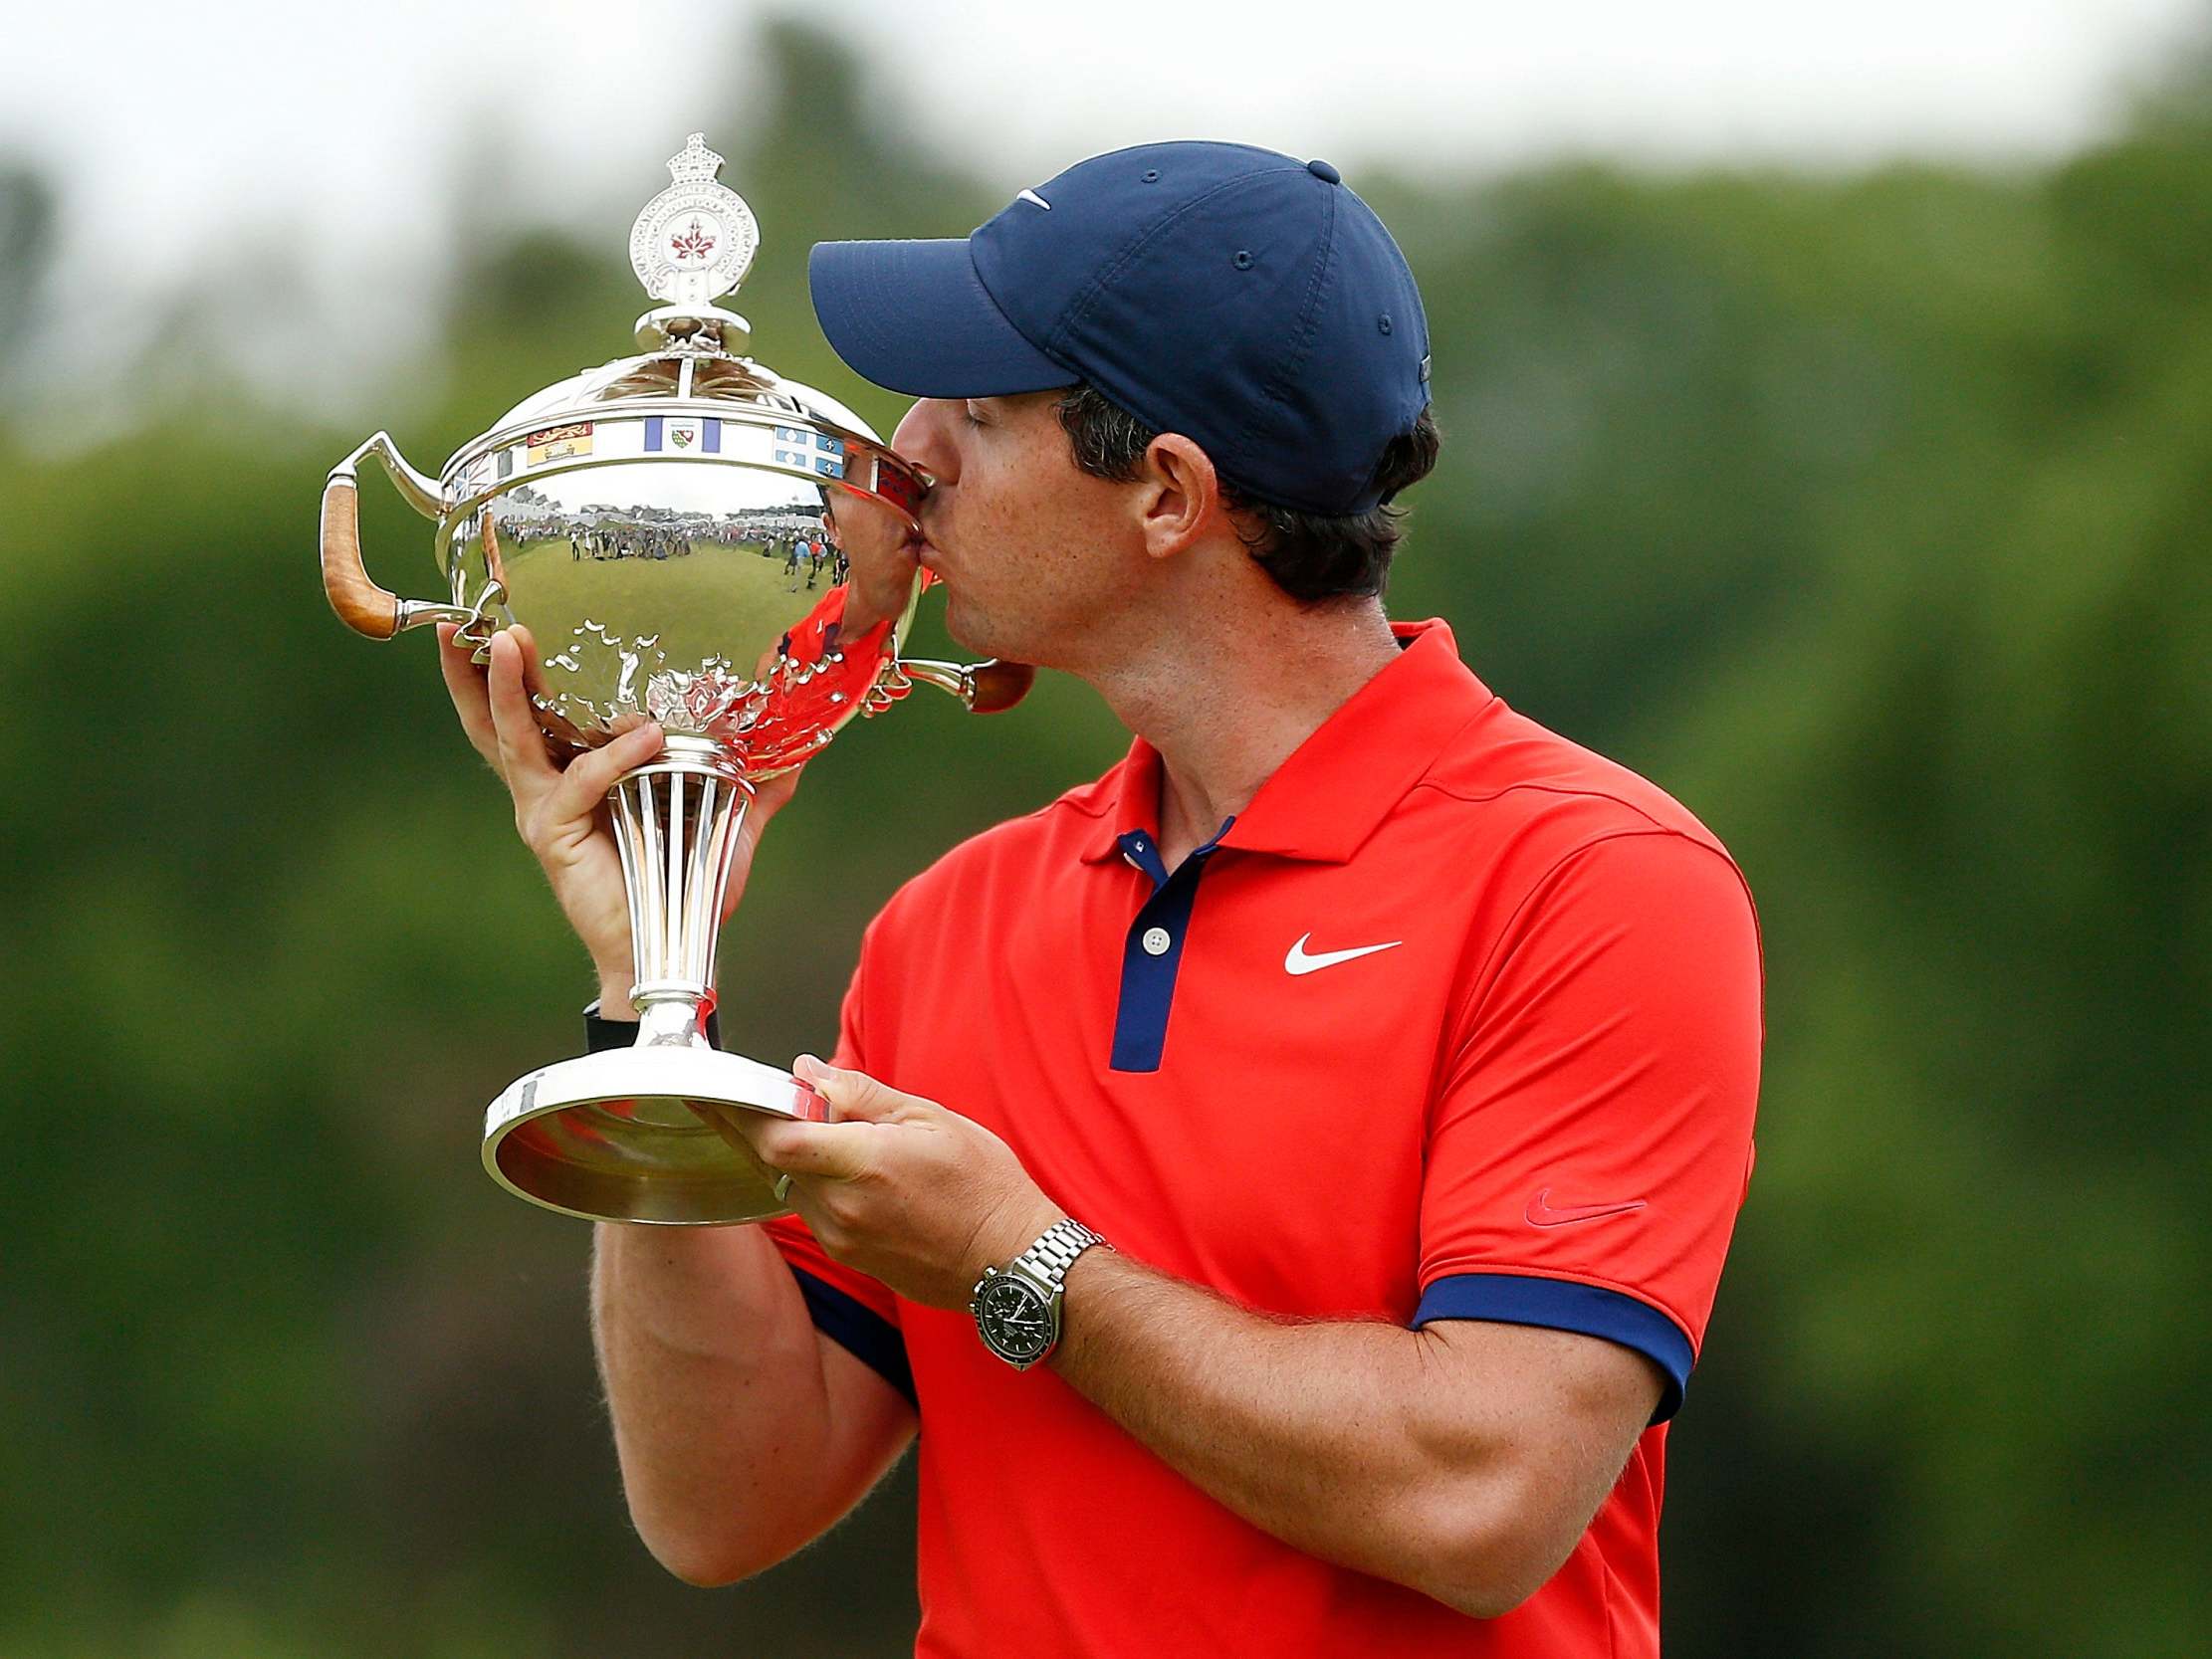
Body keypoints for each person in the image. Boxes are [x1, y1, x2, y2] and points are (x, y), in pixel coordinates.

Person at [438, 140, 1763, 1657]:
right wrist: (648, 1002)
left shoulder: (1592, 881)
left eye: (977, 416)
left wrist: (1023, 1263)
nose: (905, 451)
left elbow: (1478, 1499)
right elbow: (723, 1503)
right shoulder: (955, 918)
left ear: (1165, 497)